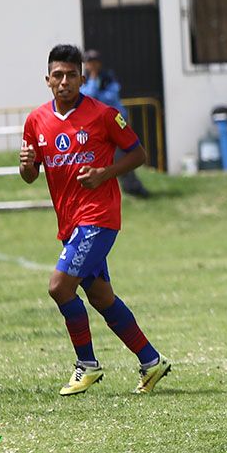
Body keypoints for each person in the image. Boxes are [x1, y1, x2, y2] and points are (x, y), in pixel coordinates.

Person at [19, 44, 170, 396]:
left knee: (59, 287)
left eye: (72, 75)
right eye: (58, 75)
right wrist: (26, 165)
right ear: (47, 80)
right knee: (102, 298)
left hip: (99, 219)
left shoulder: (103, 115)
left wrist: (105, 173)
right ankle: (151, 361)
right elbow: (29, 175)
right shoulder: (36, 121)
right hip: (70, 225)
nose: (64, 81)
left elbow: (138, 154)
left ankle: (86, 365)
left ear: (82, 79)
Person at [80, 49, 150, 198]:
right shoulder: (82, 80)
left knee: (125, 156)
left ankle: (132, 187)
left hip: (117, 123)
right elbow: (88, 97)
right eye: (89, 62)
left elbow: (111, 98)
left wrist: (96, 94)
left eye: (95, 62)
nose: (92, 65)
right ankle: (130, 187)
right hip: (96, 127)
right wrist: (93, 80)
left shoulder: (108, 78)